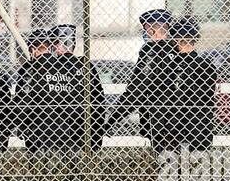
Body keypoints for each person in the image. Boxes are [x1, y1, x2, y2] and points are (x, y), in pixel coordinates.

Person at [141, 17, 217, 152]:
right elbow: (208, 101)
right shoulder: (206, 66)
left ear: (175, 41)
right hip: (199, 131)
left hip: (169, 132)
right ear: (195, 39)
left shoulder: (167, 66)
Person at [13, 28, 84, 151]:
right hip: (67, 130)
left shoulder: (29, 68)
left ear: (32, 49)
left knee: (39, 166)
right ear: (49, 47)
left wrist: (21, 127)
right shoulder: (64, 67)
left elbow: (22, 102)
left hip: (38, 131)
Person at [115, 9, 176, 137]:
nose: (146, 34)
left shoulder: (150, 51)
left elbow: (137, 88)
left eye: (147, 30)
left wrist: (113, 119)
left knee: (163, 153)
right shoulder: (177, 49)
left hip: (157, 118)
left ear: (153, 31)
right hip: (178, 117)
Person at [53, 23, 106, 140]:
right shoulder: (86, 64)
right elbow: (99, 97)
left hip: (62, 129)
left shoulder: (52, 67)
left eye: (55, 43)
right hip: (90, 125)